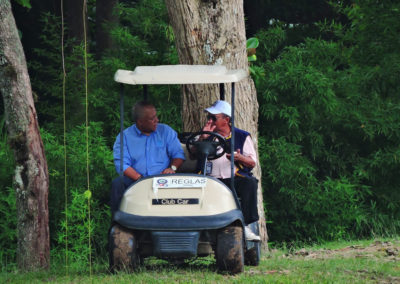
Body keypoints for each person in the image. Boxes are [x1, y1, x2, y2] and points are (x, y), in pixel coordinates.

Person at [111, 101, 185, 214]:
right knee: (118, 184)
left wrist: (172, 168)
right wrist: (140, 179)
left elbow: (178, 154)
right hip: (137, 178)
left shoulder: (165, 131)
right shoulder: (125, 137)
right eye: (152, 119)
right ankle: (118, 224)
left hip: (164, 178)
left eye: (156, 116)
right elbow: (122, 164)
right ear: (140, 122)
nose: (157, 120)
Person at [201, 100, 260, 241]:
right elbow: (192, 154)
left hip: (233, 178)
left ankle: (245, 225)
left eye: (213, 118)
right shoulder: (205, 134)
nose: (210, 121)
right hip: (209, 180)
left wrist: (239, 157)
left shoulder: (241, 136)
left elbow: (252, 163)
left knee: (250, 183)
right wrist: (203, 139)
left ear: (226, 120)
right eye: (209, 117)